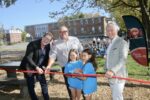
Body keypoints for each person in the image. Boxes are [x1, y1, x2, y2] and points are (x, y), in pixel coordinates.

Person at [45, 25, 83, 99]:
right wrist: (49, 66)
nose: (63, 33)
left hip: (78, 66)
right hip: (66, 68)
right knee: (70, 86)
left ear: (68, 32)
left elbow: (81, 51)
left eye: (65, 31)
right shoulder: (55, 43)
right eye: (61, 32)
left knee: (81, 85)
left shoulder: (75, 39)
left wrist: (85, 63)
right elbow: (52, 56)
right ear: (59, 33)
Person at [19, 32, 53, 100]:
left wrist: (45, 66)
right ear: (42, 37)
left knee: (44, 84)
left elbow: (46, 58)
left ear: (50, 41)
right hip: (29, 66)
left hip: (39, 67)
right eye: (45, 38)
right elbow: (28, 58)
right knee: (31, 85)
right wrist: (36, 67)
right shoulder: (32, 44)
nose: (46, 40)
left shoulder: (48, 46)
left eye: (48, 40)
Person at [104, 22, 129, 100]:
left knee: (117, 97)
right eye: (107, 30)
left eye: (112, 30)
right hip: (111, 76)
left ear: (117, 30)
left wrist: (112, 71)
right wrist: (106, 69)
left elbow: (123, 59)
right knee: (115, 97)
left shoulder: (122, 42)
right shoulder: (110, 43)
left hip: (119, 76)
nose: (109, 32)